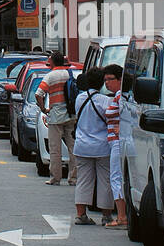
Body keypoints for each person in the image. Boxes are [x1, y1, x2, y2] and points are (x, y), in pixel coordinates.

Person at [72, 67, 113, 226]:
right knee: (105, 181)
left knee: (83, 180)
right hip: (102, 146)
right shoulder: (105, 101)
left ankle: (81, 215)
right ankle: (106, 216)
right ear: (102, 82)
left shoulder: (79, 99)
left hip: (82, 145)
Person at [36, 50, 77, 188]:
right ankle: (73, 178)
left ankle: (55, 177)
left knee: (55, 149)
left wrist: (43, 109)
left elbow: (38, 94)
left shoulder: (50, 76)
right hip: (71, 115)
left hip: (55, 115)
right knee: (73, 148)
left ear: (53, 61)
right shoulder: (69, 74)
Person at [102, 65, 127, 227]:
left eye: (110, 79)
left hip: (118, 142)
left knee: (116, 177)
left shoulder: (121, 97)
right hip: (115, 141)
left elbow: (129, 116)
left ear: (120, 79)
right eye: (105, 80)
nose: (106, 83)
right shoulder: (118, 96)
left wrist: (122, 127)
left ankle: (121, 216)